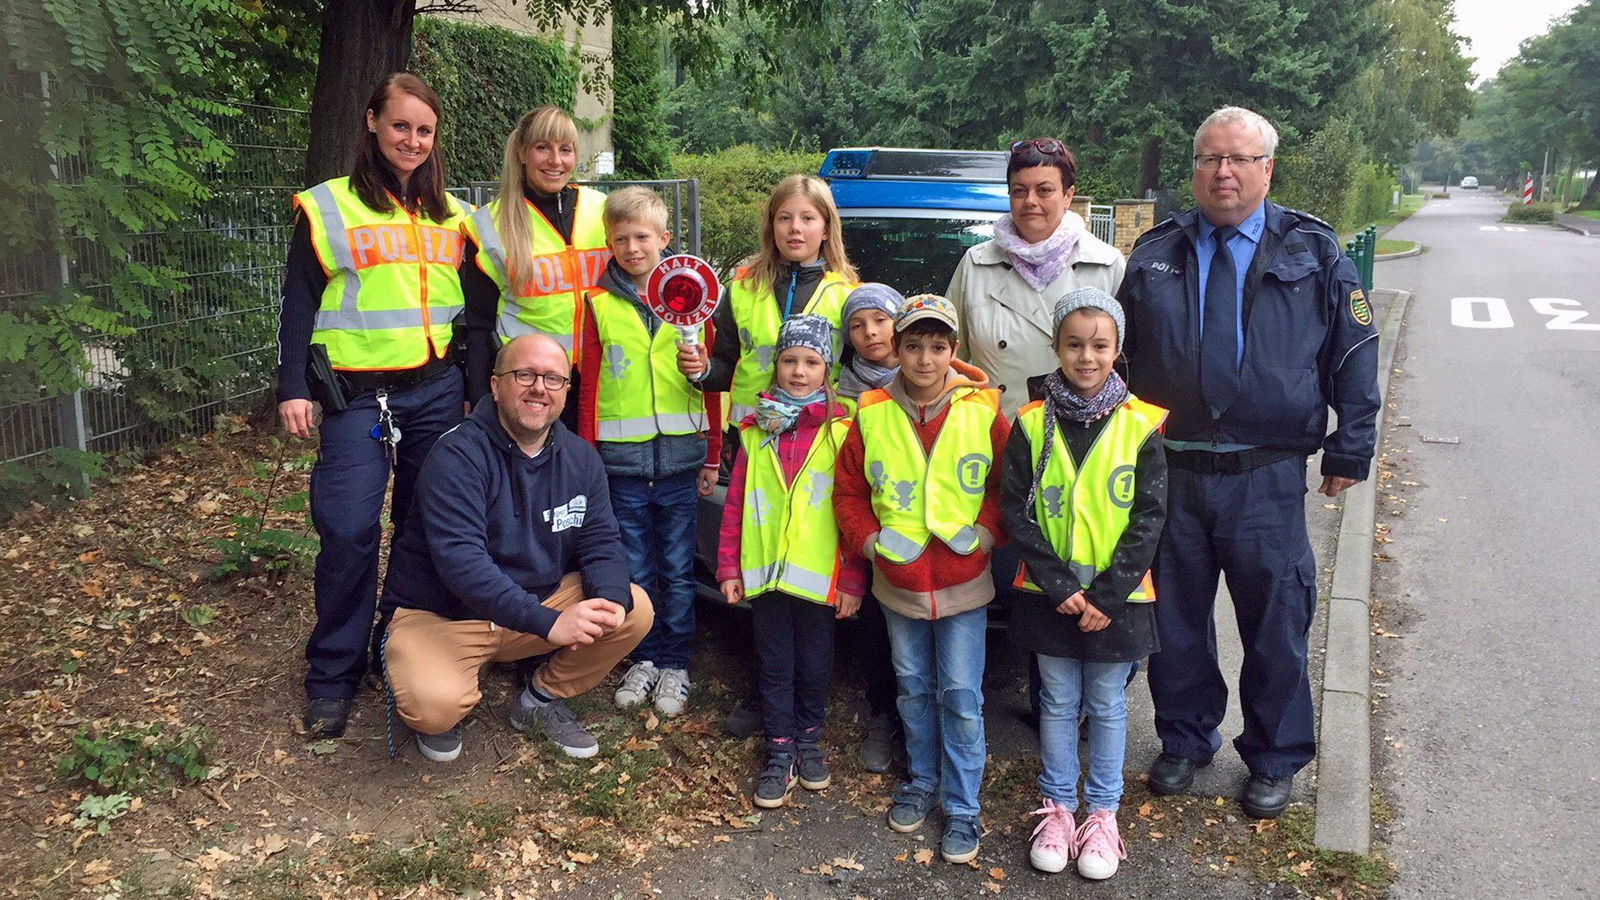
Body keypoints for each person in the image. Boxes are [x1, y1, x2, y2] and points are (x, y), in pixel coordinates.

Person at [1118, 106, 1380, 820]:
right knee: (1173, 624)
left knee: (1276, 625)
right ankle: (1183, 740)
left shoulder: (1315, 250)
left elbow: (1354, 352)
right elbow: (1117, 355)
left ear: (1267, 168)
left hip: (1266, 475)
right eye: (1209, 159)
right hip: (1169, 471)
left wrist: (1351, 443)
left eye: (1238, 159)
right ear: (1194, 169)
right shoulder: (1155, 252)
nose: (1223, 172)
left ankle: (1273, 756)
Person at [275, 73, 472, 739]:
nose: (411, 140)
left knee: (423, 528)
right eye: (400, 126)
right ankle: (333, 671)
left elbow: (472, 313)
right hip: (358, 397)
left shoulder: (455, 215)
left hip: (437, 391)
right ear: (372, 123)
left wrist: (473, 387)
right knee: (349, 528)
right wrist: (292, 386)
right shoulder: (329, 207)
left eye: (424, 130)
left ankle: (400, 646)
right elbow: (299, 300)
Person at [380, 334, 654, 762]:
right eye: (524, 374)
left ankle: (540, 698)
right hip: (446, 614)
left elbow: (600, 539)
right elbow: (461, 563)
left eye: (553, 378)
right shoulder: (457, 454)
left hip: (535, 605)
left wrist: (610, 598)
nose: (538, 388)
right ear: (494, 385)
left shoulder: (581, 458)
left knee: (633, 608)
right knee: (434, 708)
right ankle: (436, 673)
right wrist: (549, 624)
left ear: (566, 390)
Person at [834, 295, 1009, 864]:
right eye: (914, 345)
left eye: (938, 347)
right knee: (912, 688)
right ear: (897, 349)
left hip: (964, 581)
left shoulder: (984, 410)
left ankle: (962, 807)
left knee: (961, 696)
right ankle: (920, 782)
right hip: (899, 581)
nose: (925, 359)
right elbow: (850, 492)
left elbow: (1006, 487)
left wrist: (985, 535)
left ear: (953, 352)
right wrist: (868, 543)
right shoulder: (873, 411)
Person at [1001, 288, 1168, 881]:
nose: (1087, 357)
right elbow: (1015, 510)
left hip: (1115, 600)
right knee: (1056, 700)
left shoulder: (1142, 426)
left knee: (1106, 703)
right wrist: (1056, 583)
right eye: (1074, 345)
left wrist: (1106, 595)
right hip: (1051, 595)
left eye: (1100, 345)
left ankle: (1102, 812)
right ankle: (1058, 808)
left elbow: (1150, 517)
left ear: (1117, 349)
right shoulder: (1030, 423)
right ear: (1056, 348)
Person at [575, 187, 721, 718]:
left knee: (680, 570)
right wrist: (588, 457)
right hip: (621, 467)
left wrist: (712, 455)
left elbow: (712, 390)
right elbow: (589, 386)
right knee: (635, 570)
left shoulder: (696, 301)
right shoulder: (597, 305)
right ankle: (644, 657)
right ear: (608, 243)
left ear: (665, 238)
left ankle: (676, 664)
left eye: (642, 237)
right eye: (621, 239)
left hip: (681, 464)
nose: (632, 247)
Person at [717, 315, 866, 808]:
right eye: (789, 361)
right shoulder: (755, 429)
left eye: (810, 362)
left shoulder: (843, 429)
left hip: (818, 577)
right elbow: (737, 502)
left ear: (828, 369)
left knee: (816, 663)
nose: (798, 372)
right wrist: (729, 568)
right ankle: (779, 749)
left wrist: (851, 579)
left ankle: (808, 739)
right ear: (776, 365)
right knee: (774, 662)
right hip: (764, 577)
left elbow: (853, 509)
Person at [945, 138, 1125, 421]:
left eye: (1044, 190)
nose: (1030, 201)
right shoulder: (976, 263)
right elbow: (948, 356)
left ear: (1068, 195)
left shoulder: (1106, 265)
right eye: (1019, 191)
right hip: (992, 433)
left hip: (1076, 438)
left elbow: (1122, 370)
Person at [676, 174, 859, 424]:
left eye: (808, 218)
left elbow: (860, 374)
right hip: (748, 435)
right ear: (772, 227)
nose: (795, 227)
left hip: (818, 436)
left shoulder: (848, 295)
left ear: (826, 228)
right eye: (784, 218)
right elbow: (725, 368)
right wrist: (701, 369)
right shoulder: (741, 290)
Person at [462, 106, 610, 411]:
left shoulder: (604, 211)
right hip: (532, 386)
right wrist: (479, 403)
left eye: (565, 149)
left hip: (605, 379)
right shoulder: (488, 227)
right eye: (543, 148)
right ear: (522, 152)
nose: (556, 161)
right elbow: (479, 326)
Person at [834, 283, 906, 773]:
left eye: (879, 320)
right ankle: (885, 714)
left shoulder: (927, 376)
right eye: (857, 325)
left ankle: (924, 723)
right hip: (866, 526)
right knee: (877, 628)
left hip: (921, 528)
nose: (870, 332)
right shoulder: (835, 386)